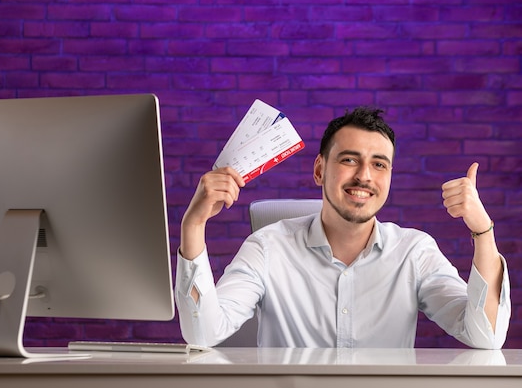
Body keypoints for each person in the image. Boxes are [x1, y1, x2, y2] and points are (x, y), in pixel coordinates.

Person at [175, 107, 510, 349]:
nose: (364, 176)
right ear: (320, 170)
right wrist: (194, 224)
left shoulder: (414, 252)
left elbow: (485, 336)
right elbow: (203, 334)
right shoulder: (267, 248)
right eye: (349, 159)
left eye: (379, 164)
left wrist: (483, 230)